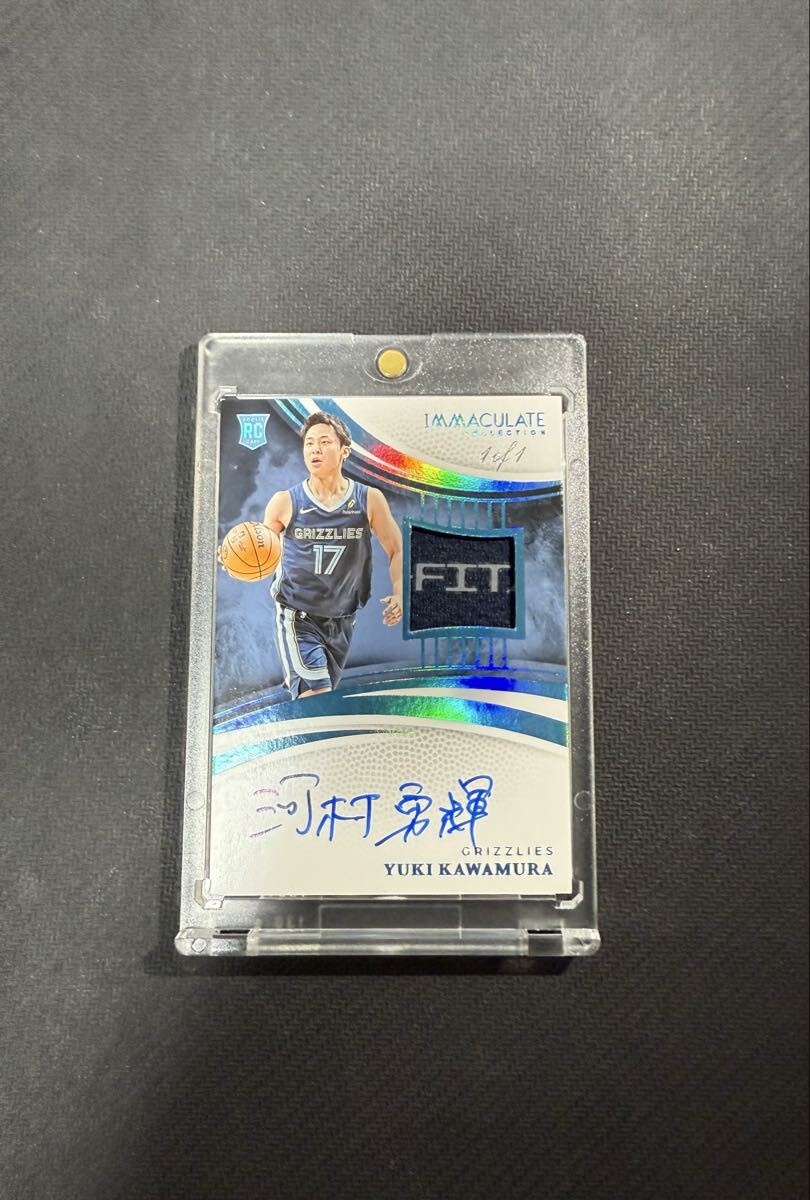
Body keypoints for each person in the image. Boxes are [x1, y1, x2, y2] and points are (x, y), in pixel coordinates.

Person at [263, 411, 402, 698]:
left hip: (343, 621)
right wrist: (234, 557)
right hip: (299, 617)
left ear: (344, 451)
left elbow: (396, 550)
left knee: (322, 703)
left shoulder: (369, 499)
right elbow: (261, 553)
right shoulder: (285, 502)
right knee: (318, 697)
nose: (315, 449)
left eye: (324, 442)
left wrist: (400, 593)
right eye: (309, 443)